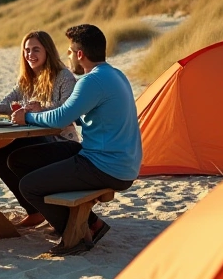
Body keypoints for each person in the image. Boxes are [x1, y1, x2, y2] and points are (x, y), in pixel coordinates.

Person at [9, 24, 141, 256]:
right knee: (19, 159)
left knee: (29, 186)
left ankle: (75, 234)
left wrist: (28, 117)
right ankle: (93, 223)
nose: (67, 56)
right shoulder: (115, 74)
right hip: (119, 161)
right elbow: (93, 116)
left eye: (70, 51)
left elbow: (61, 118)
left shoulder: (91, 81)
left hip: (104, 165)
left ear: (80, 54)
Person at [0, 31, 78, 228]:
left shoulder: (64, 76)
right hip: (34, 138)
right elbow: (9, 102)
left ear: (47, 51)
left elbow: (69, 110)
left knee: (17, 157)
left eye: (35, 50)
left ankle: (49, 211)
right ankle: (34, 211)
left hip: (60, 140)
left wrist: (41, 109)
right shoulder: (28, 78)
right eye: (26, 50)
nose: (30, 54)